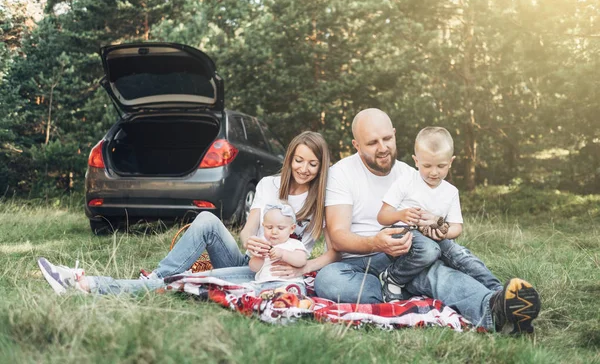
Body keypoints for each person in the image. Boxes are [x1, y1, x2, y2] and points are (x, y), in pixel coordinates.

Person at [314, 108, 541, 334]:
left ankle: (494, 309)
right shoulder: (342, 173)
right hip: (358, 263)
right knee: (328, 281)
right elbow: (338, 237)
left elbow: (433, 227)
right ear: (356, 145)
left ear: (394, 134)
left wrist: (435, 226)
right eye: (372, 142)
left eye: (387, 138)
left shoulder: (412, 174)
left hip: (407, 255)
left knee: (434, 271)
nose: (383, 148)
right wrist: (377, 243)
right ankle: (394, 288)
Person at [37, 131, 338, 295]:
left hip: (271, 274)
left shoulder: (324, 198)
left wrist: (303, 268)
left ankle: (85, 284)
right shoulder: (270, 185)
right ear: (290, 159)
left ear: (321, 166)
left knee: (187, 280)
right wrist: (250, 242)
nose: (303, 169)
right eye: (299, 160)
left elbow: (333, 252)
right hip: (250, 261)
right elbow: (247, 229)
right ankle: (157, 276)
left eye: (312, 164)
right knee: (206, 219)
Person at [377, 126, 502, 302]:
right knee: (430, 250)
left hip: (435, 237)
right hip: (405, 233)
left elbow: (456, 228)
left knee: (463, 256)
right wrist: (401, 215)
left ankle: (499, 291)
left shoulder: (450, 192)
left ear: (451, 162)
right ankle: (392, 277)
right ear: (416, 161)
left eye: (441, 166)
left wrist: (442, 229)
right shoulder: (406, 181)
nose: (434, 172)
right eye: (427, 165)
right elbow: (382, 216)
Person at [248, 201, 309, 295]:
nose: (274, 232)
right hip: (263, 283)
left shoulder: (294, 244)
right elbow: (253, 268)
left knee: (296, 290)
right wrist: (259, 257)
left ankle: (288, 298)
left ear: (292, 228)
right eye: (269, 227)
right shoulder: (262, 243)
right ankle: (263, 298)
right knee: (249, 289)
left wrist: (283, 254)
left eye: (280, 228)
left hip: (288, 283)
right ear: (263, 226)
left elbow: (301, 260)